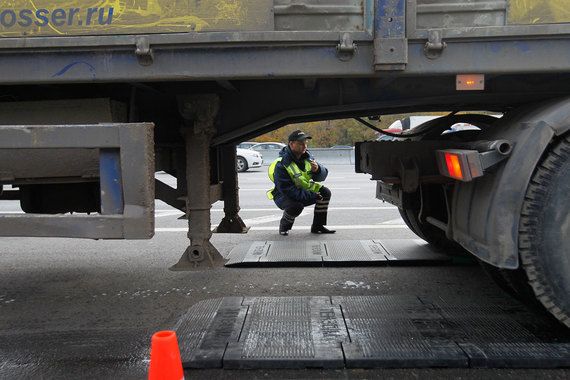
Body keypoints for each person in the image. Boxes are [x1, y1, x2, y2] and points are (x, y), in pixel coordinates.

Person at [266, 130, 336, 235]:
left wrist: (317, 170)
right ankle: (284, 226)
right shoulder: (282, 164)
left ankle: (318, 226)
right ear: (291, 144)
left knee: (325, 192)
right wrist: (312, 196)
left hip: (302, 189)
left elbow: (323, 176)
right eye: (300, 144)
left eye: (305, 143)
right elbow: (288, 190)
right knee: (296, 206)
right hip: (282, 195)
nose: (304, 146)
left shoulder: (308, 157)